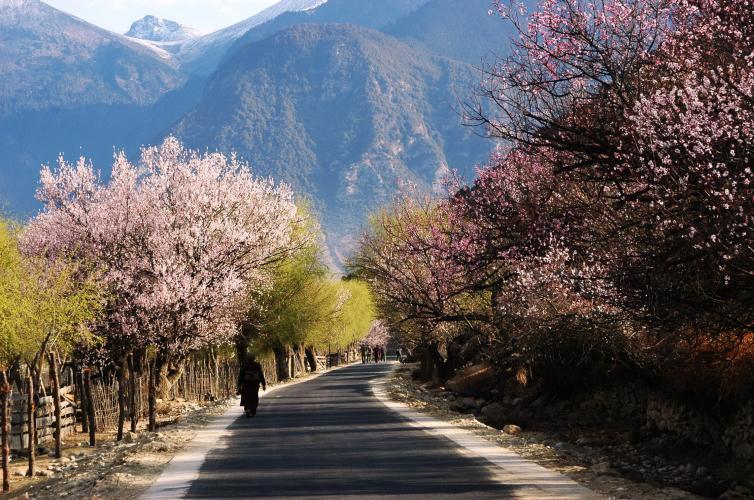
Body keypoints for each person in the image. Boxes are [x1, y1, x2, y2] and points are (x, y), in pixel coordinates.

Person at [237, 352, 266, 417]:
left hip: (246, 383)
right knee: (254, 396)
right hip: (255, 384)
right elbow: (261, 375)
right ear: (254, 358)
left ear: (247, 358)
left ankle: (247, 408)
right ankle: (253, 408)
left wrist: (239, 385)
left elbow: (241, 376)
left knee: (246, 396)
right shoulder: (257, 365)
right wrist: (263, 384)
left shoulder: (244, 365)